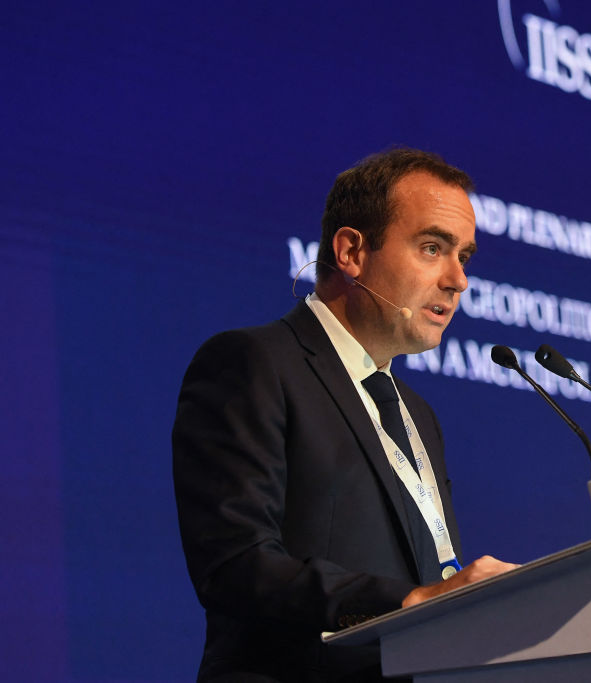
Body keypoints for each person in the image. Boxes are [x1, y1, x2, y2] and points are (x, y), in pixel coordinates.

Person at [172, 148, 516, 682]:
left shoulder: (418, 414)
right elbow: (235, 565)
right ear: (352, 251)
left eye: (464, 257)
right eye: (432, 248)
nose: (458, 280)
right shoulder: (253, 363)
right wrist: (409, 601)